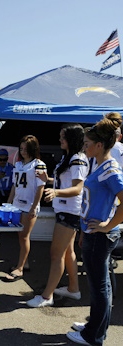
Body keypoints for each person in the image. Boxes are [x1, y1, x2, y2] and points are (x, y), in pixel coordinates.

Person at [66, 113, 123, 346]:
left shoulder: (110, 169)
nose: (85, 148)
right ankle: (96, 327)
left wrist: (107, 226)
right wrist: (83, 232)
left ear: (99, 146)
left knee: (99, 287)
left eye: (88, 145)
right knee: (102, 285)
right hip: (93, 234)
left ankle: (93, 336)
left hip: (101, 236)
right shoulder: (100, 165)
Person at [26, 124, 89, 308]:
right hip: (65, 211)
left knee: (56, 254)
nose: (60, 140)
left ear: (71, 139)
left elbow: (78, 188)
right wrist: (48, 181)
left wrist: (56, 192)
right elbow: (67, 181)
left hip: (70, 212)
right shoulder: (71, 158)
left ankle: (47, 296)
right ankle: (73, 289)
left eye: (63, 137)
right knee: (67, 252)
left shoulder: (78, 159)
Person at [4, 135, 46, 281]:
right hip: (17, 205)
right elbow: (15, 186)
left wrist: (34, 207)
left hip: (29, 206)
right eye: (21, 149)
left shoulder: (38, 164)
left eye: (26, 149)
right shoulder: (18, 164)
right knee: (20, 236)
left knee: (24, 236)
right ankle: (24, 263)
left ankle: (20, 267)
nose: (23, 152)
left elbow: (41, 188)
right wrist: (8, 204)